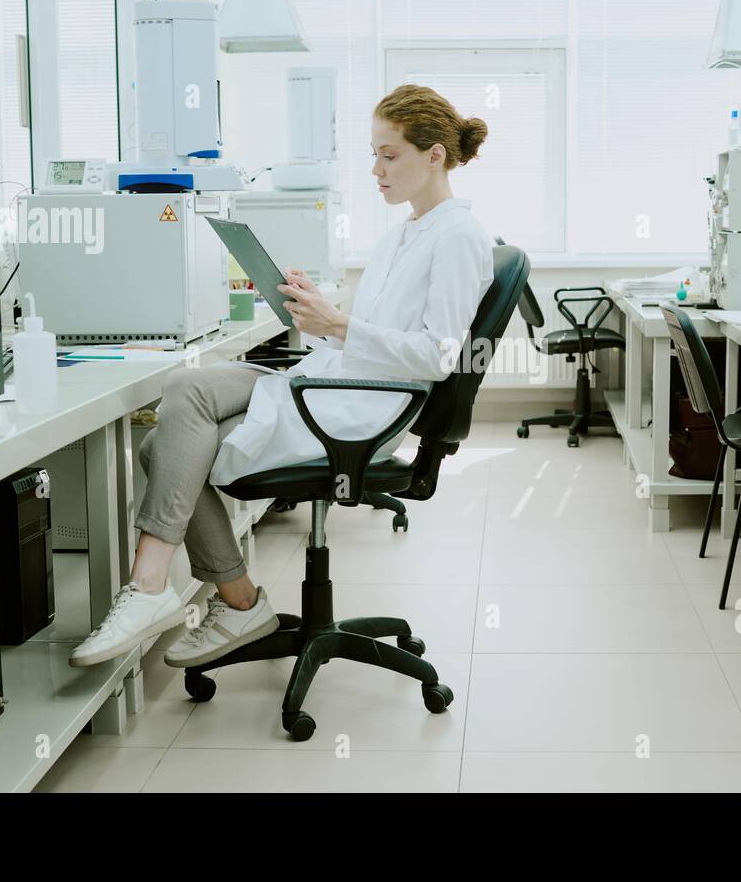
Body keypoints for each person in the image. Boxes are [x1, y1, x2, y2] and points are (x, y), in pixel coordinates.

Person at [68, 84, 495, 668]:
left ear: (436, 155)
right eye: (374, 153)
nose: (376, 169)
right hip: (334, 376)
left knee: (159, 447)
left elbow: (437, 357)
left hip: (365, 406)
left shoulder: (459, 237)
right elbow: (367, 335)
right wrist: (316, 312)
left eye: (389, 155)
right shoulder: (403, 234)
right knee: (185, 394)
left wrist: (339, 325)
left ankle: (218, 600)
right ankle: (162, 591)